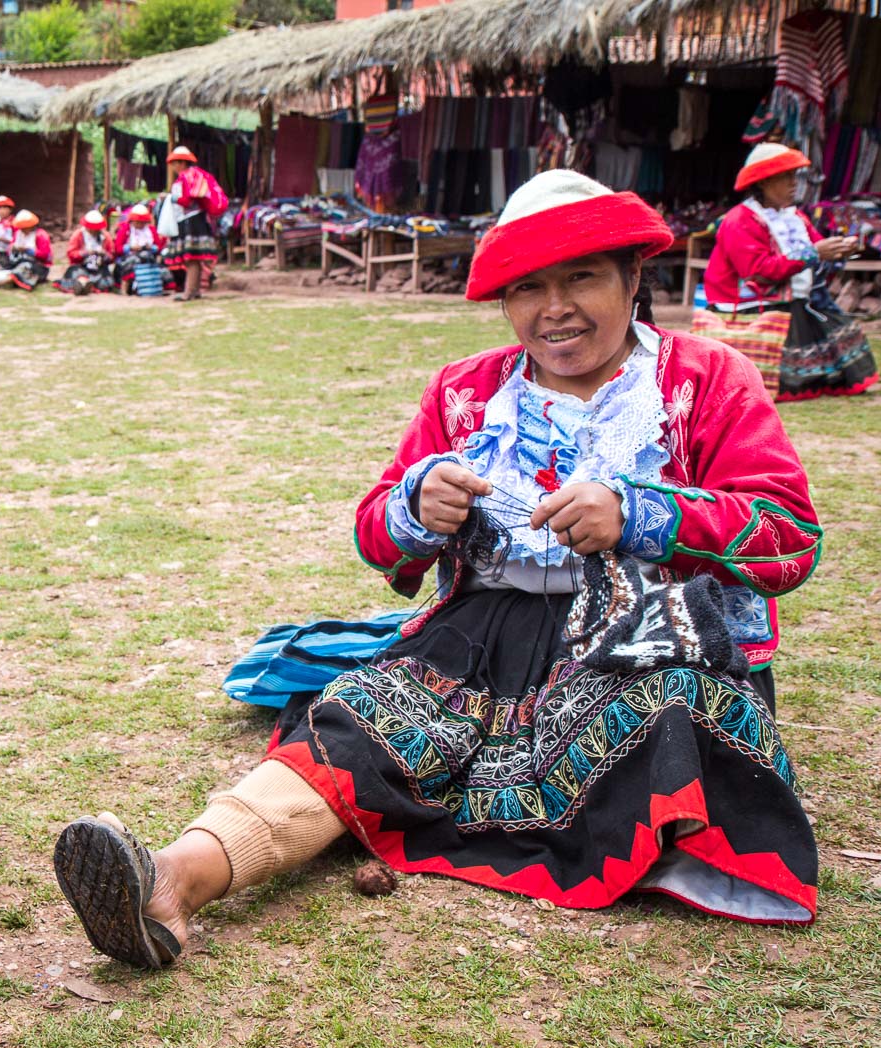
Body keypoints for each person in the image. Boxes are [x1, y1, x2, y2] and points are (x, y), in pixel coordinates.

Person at [53, 170, 824, 970]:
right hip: (480, 633)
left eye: (581, 278)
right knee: (357, 716)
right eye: (527, 288)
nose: (553, 308)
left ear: (634, 277)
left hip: (645, 636)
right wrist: (416, 507)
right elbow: (375, 534)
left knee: (670, 715)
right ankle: (174, 880)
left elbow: (791, 538)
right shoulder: (466, 393)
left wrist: (643, 516)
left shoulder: (705, 380)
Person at [695, 143, 877, 402]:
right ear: (764, 183)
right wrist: (815, 253)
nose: (794, 184)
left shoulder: (796, 218)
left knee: (843, 330)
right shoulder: (739, 220)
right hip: (750, 304)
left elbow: (815, 247)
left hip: (792, 300)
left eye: (794, 176)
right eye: (785, 177)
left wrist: (839, 249)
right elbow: (758, 271)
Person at [164, 146, 226, 302]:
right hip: (194, 220)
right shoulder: (193, 176)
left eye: (175, 163)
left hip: (191, 221)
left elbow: (186, 200)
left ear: (181, 163)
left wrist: (170, 198)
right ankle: (194, 290)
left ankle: (189, 291)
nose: (173, 167)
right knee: (194, 258)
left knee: (191, 258)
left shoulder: (187, 177)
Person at [0, 209, 51, 291]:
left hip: (38, 265)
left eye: (24, 228)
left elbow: (45, 255)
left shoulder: (40, 235)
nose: (22, 230)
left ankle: (4, 281)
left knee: (25, 267)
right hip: (19, 261)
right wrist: (14, 248)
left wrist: (29, 250)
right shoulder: (18, 233)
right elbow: (11, 248)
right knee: (2, 265)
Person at [56, 210, 115, 296]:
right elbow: (71, 254)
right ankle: (82, 285)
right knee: (78, 275)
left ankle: (89, 286)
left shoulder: (105, 236)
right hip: (80, 266)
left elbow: (112, 255)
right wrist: (85, 253)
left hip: (99, 267)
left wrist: (104, 254)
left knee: (106, 281)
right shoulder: (78, 235)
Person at [113, 203, 167, 295]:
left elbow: (159, 247)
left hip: (149, 256)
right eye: (137, 222)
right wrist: (130, 247)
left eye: (142, 222)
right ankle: (124, 288)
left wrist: (151, 247)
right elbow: (117, 249)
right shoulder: (125, 230)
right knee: (131, 262)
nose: (140, 224)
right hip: (129, 257)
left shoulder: (151, 230)